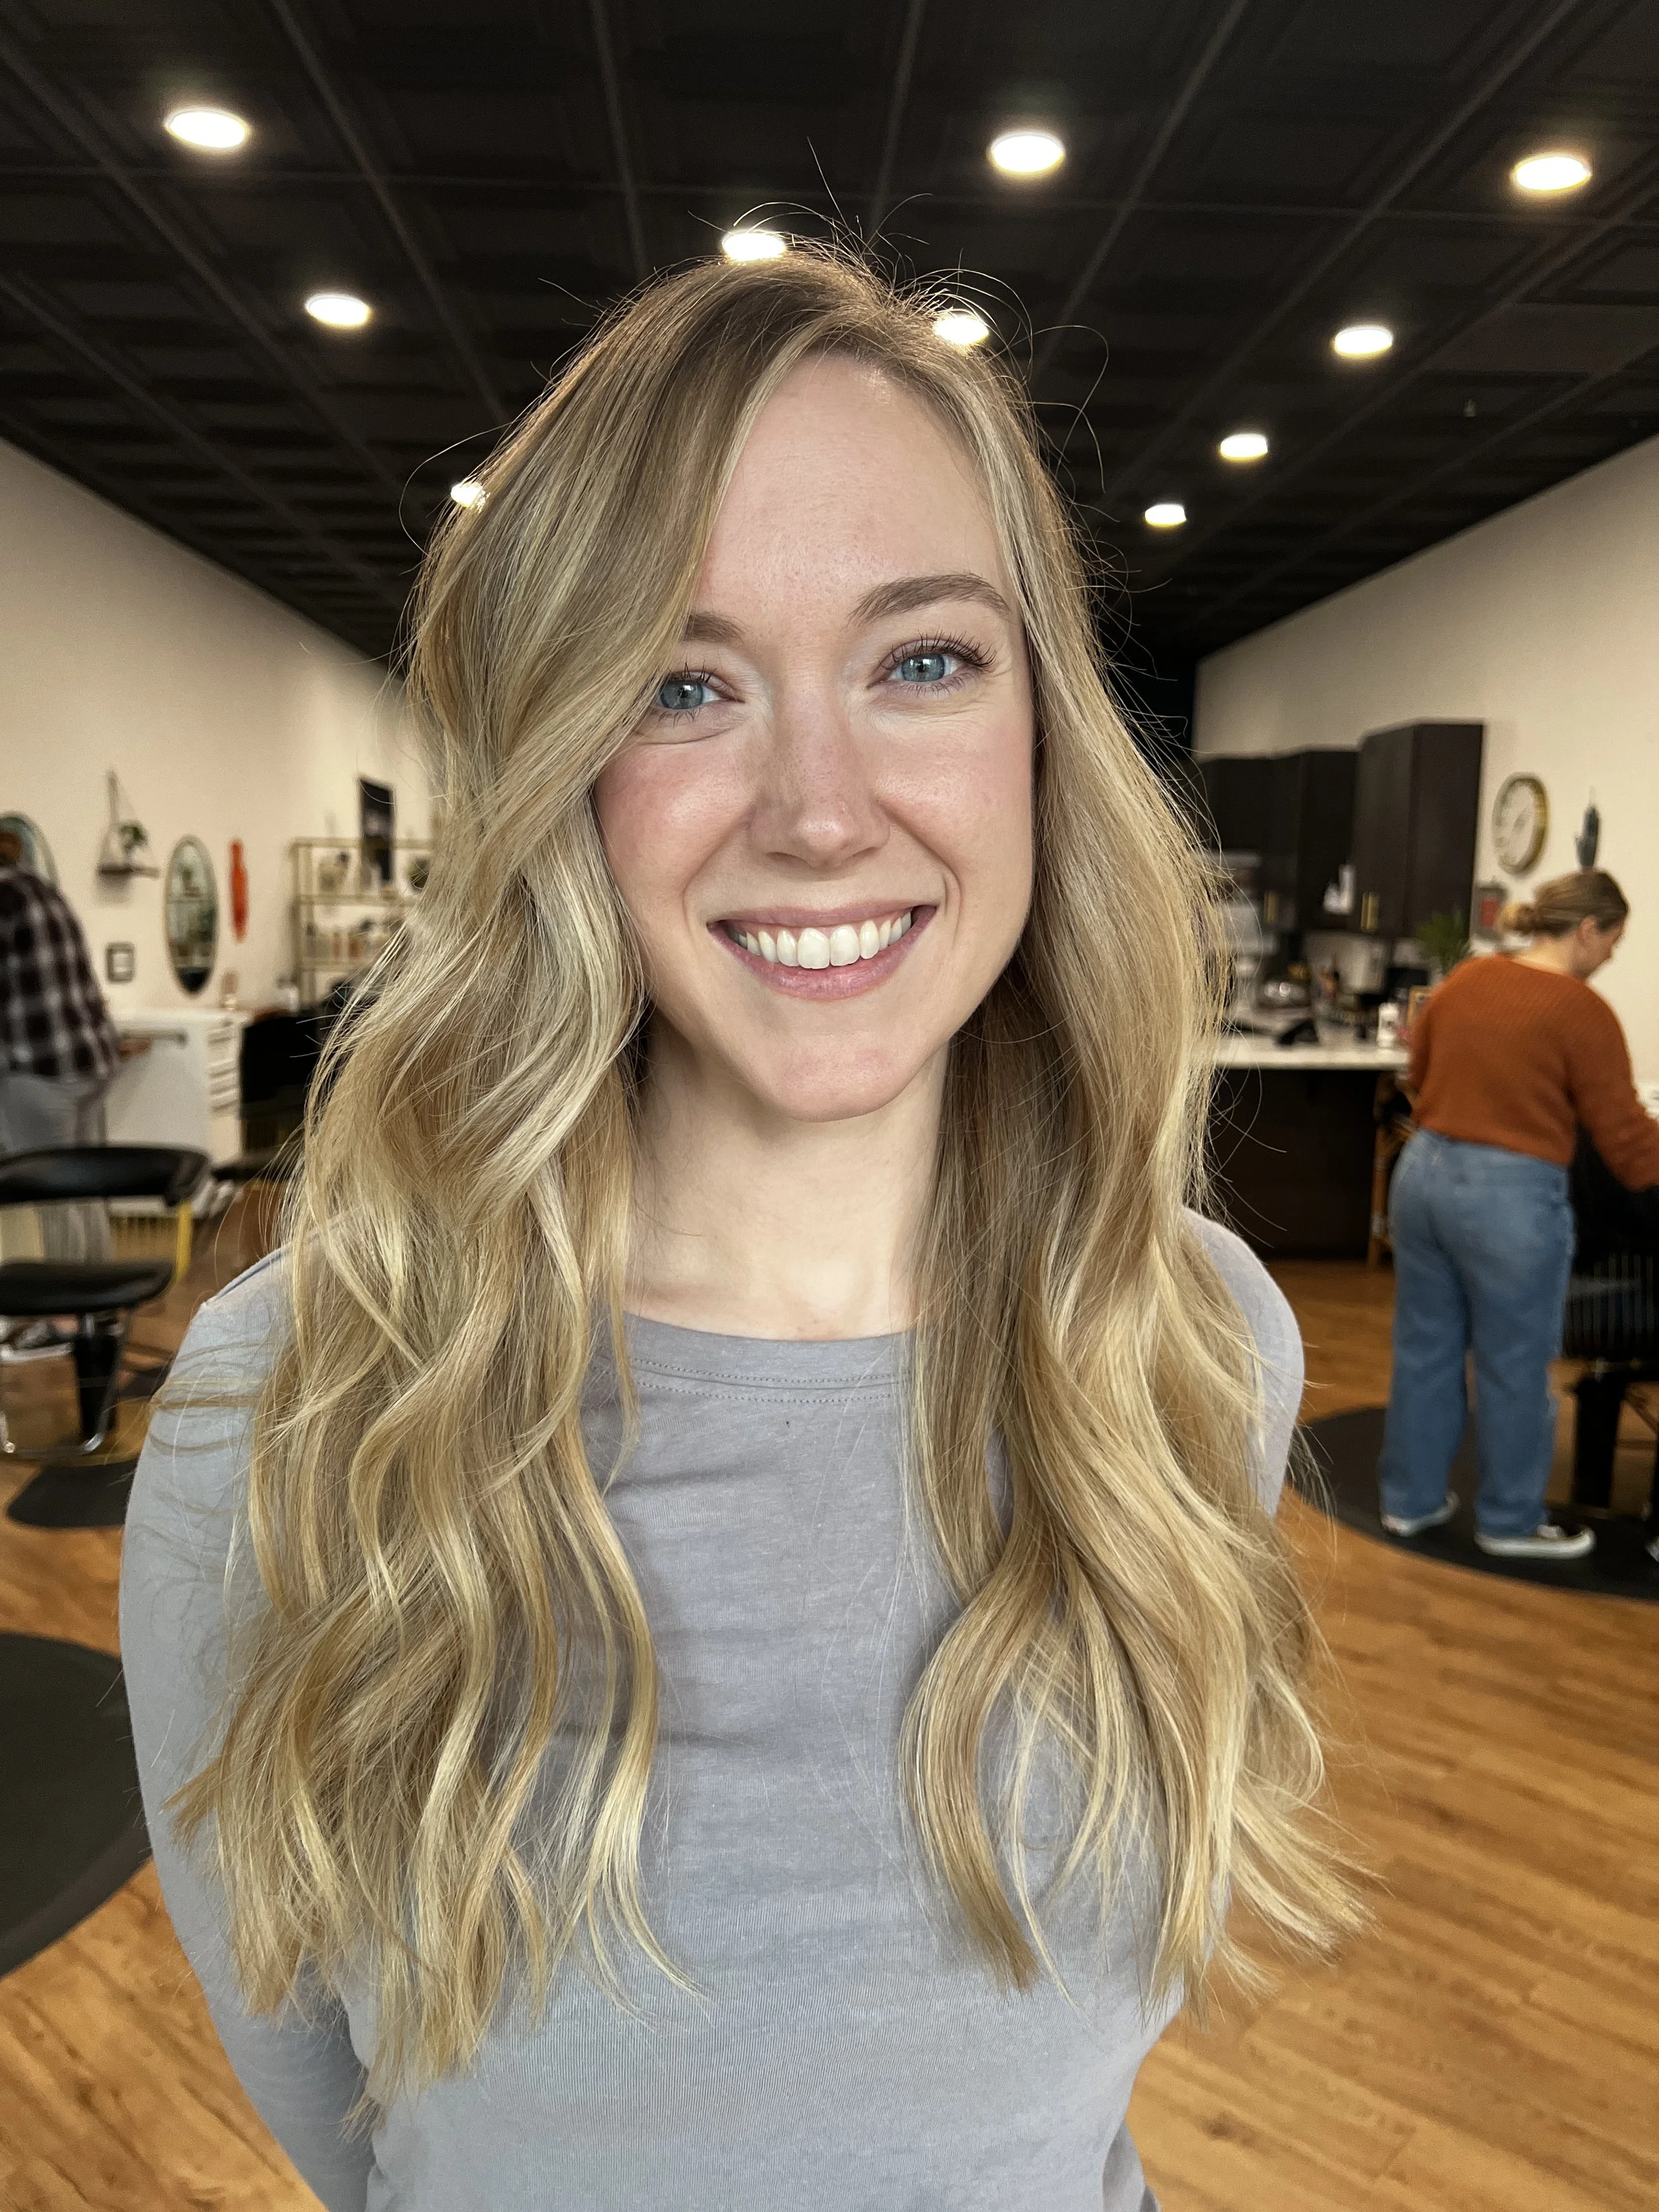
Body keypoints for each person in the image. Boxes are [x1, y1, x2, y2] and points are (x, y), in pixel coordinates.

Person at [120, 252, 1356, 2212]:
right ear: (560, 774)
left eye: (920, 660)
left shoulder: (1181, 1333)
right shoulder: (296, 1398)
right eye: (681, 684)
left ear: (1038, 726)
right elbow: (330, 2099)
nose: (817, 806)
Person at [1380, 869, 1659, 1560]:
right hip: (1508, 1198)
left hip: (1422, 1176)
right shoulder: (1580, 1011)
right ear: (1587, 930)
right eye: (1614, 943)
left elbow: (1417, 1072)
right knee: (1512, 1361)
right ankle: (1508, 1521)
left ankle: (1408, 1502)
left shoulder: (1468, 980)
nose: (1611, 959)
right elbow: (1625, 1142)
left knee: (1424, 1350)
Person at [0, 824, 121, 1263]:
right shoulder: (41, 890)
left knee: (51, 1198)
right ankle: (104, 1306)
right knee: (85, 1187)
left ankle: (66, 1319)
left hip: (40, 1071)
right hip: (90, 1061)